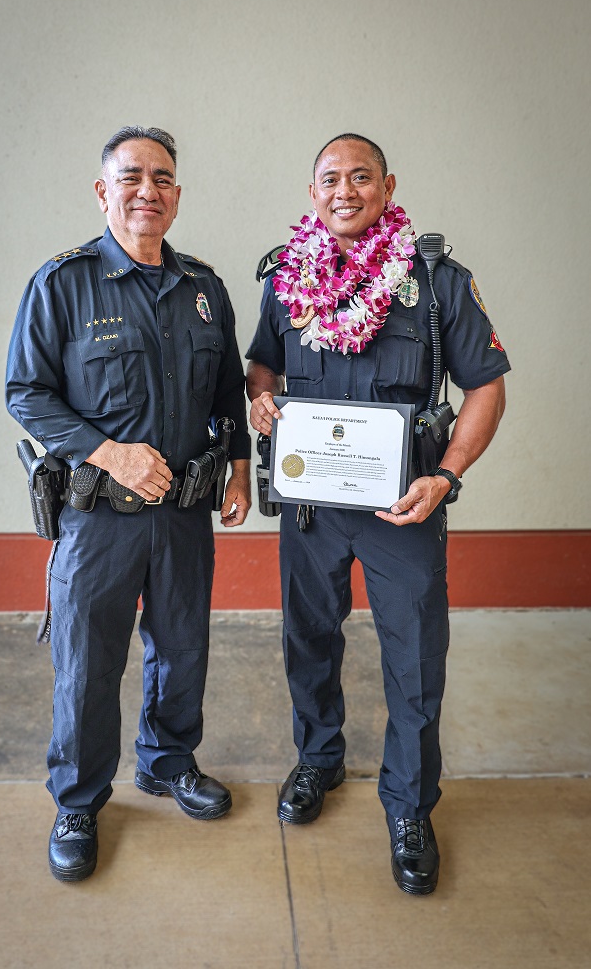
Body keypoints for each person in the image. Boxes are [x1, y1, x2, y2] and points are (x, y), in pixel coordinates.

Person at [246, 133, 509, 895]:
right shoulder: (285, 279)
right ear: (312, 191)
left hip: (406, 504)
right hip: (311, 510)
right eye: (331, 178)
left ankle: (408, 807)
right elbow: (262, 361)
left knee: (415, 660)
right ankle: (319, 761)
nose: (345, 191)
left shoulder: (435, 282)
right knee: (309, 641)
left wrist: (448, 478)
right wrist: (262, 397)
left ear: (388, 186)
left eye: (362, 177)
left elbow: (487, 386)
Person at [6, 126, 251, 882]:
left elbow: (228, 396)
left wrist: (239, 469)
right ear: (103, 190)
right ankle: (78, 800)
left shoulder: (204, 289)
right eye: (133, 176)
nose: (149, 190)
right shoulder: (63, 283)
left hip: (183, 513)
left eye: (164, 178)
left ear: (177, 195)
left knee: (183, 648)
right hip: (100, 516)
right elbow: (26, 392)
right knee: (89, 662)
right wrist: (109, 451)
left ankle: (169, 761)